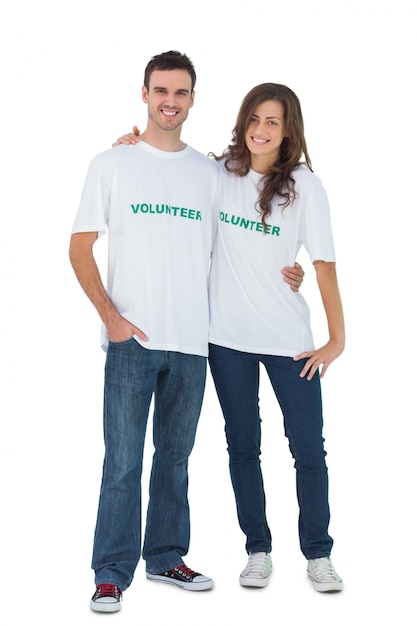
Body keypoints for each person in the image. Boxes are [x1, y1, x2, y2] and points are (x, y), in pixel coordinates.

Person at [70, 52, 305, 613]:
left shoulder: (211, 173)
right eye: (160, 91)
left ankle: (167, 556)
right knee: (122, 462)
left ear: (193, 98)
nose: (169, 101)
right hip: (133, 341)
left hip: (194, 343)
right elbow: (80, 247)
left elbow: (253, 228)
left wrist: (292, 268)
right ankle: (110, 573)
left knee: (174, 459)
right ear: (145, 94)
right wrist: (111, 319)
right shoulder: (111, 163)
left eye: (180, 92)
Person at [115, 82, 345, 593]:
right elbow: (169, 172)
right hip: (226, 340)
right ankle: (258, 550)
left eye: (273, 123)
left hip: (290, 341)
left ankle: (319, 554)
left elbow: (324, 265)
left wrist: (336, 340)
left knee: (309, 449)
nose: (261, 130)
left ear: (289, 132)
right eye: (255, 119)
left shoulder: (306, 186)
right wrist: (132, 146)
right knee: (243, 447)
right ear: (243, 122)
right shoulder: (221, 174)